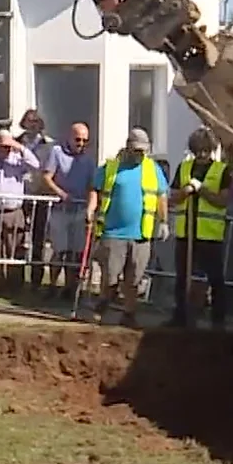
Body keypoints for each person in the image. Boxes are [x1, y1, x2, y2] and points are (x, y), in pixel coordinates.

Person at [86, 127, 166, 326]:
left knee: (134, 280)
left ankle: (129, 315)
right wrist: (91, 208)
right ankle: (102, 306)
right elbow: (96, 189)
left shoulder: (152, 169)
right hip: (113, 232)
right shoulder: (111, 167)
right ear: (128, 147)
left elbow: (161, 194)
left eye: (143, 151)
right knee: (110, 277)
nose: (139, 154)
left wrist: (163, 221)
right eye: (136, 150)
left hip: (141, 233)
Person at [167, 128, 229, 329]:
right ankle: (181, 316)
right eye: (198, 150)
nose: (202, 154)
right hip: (186, 233)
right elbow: (174, 196)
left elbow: (222, 201)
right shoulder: (184, 168)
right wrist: (186, 191)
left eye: (206, 150)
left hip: (210, 235)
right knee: (182, 277)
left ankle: (218, 320)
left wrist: (201, 189)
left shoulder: (221, 170)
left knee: (215, 279)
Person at [39, 122, 97, 299]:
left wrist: (90, 208)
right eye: (78, 139)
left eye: (84, 140)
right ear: (70, 137)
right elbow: (46, 177)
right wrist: (61, 193)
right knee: (59, 250)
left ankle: (71, 287)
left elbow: (92, 186)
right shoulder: (56, 152)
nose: (81, 143)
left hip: (79, 211)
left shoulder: (88, 161)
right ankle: (52, 285)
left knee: (76, 252)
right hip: (60, 210)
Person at [0, 129, 39, 291]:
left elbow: (36, 165)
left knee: (15, 249)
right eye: (3, 146)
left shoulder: (18, 160)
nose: (6, 149)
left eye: (8, 146)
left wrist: (18, 147)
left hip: (14, 211)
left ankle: (16, 284)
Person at [15, 110, 57, 291]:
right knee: (18, 236)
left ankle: (36, 279)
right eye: (29, 121)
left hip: (40, 196)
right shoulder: (15, 142)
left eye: (36, 121)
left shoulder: (49, 145)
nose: (32, 124)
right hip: (20, 194)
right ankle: (15, 277)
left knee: (38, 239)